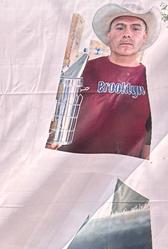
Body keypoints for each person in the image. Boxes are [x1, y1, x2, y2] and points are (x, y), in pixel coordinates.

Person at [61, 2, 159, 158]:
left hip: (122, 170)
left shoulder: (154, 80)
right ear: (109, 34)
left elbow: (152, 130)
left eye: (136, 28)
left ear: (144, 36)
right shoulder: (83, 70)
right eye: (120, 27)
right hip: (74, 163)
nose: (127, 34)